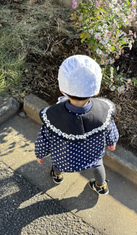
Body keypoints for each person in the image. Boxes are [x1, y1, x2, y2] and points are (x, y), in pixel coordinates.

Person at [34, 55, 119, 195]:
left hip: (64, 158)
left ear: (63, 89)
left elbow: (43, 139)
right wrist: (112, 141)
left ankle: (58, 176)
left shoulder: (53, 116)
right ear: (96, 90)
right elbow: (111, 129)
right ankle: (101, 186)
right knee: (98, 165)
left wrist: (40, 154)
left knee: (57, 165)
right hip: (93, 155)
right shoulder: (103, 112)